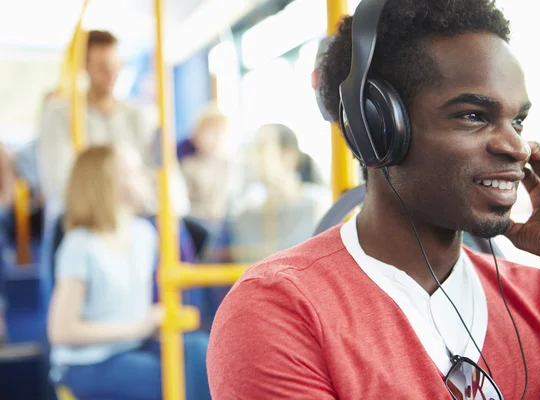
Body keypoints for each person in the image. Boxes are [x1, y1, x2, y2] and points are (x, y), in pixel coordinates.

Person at [207, 1, 540, 399]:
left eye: (517, 121)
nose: (517, 147)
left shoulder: (539, 303)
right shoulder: (279, 308)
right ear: (377, 127)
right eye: (473, 116)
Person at [47, 145, 209, 399]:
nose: (144, 175)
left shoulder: (144, 233)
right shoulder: (80, 245)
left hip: (135, 346)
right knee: (164, 378)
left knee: (200, 352)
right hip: (88, 361)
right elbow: (61, 330)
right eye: (133, 170)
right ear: (108, 184)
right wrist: (139, 326)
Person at [38, 30, 189, 217]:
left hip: (139, 212)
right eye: (101, 67)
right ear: (84, 67)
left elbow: (166, 170)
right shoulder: (60, 115)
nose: (111, 75)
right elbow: (58, 182)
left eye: (115, 66)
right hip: (84, 216)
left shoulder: (144, 116)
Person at [229, 123, 330, 263]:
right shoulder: (244, 218)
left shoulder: (320, 209)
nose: (250, 156)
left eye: (260, 148)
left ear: (287, 156)